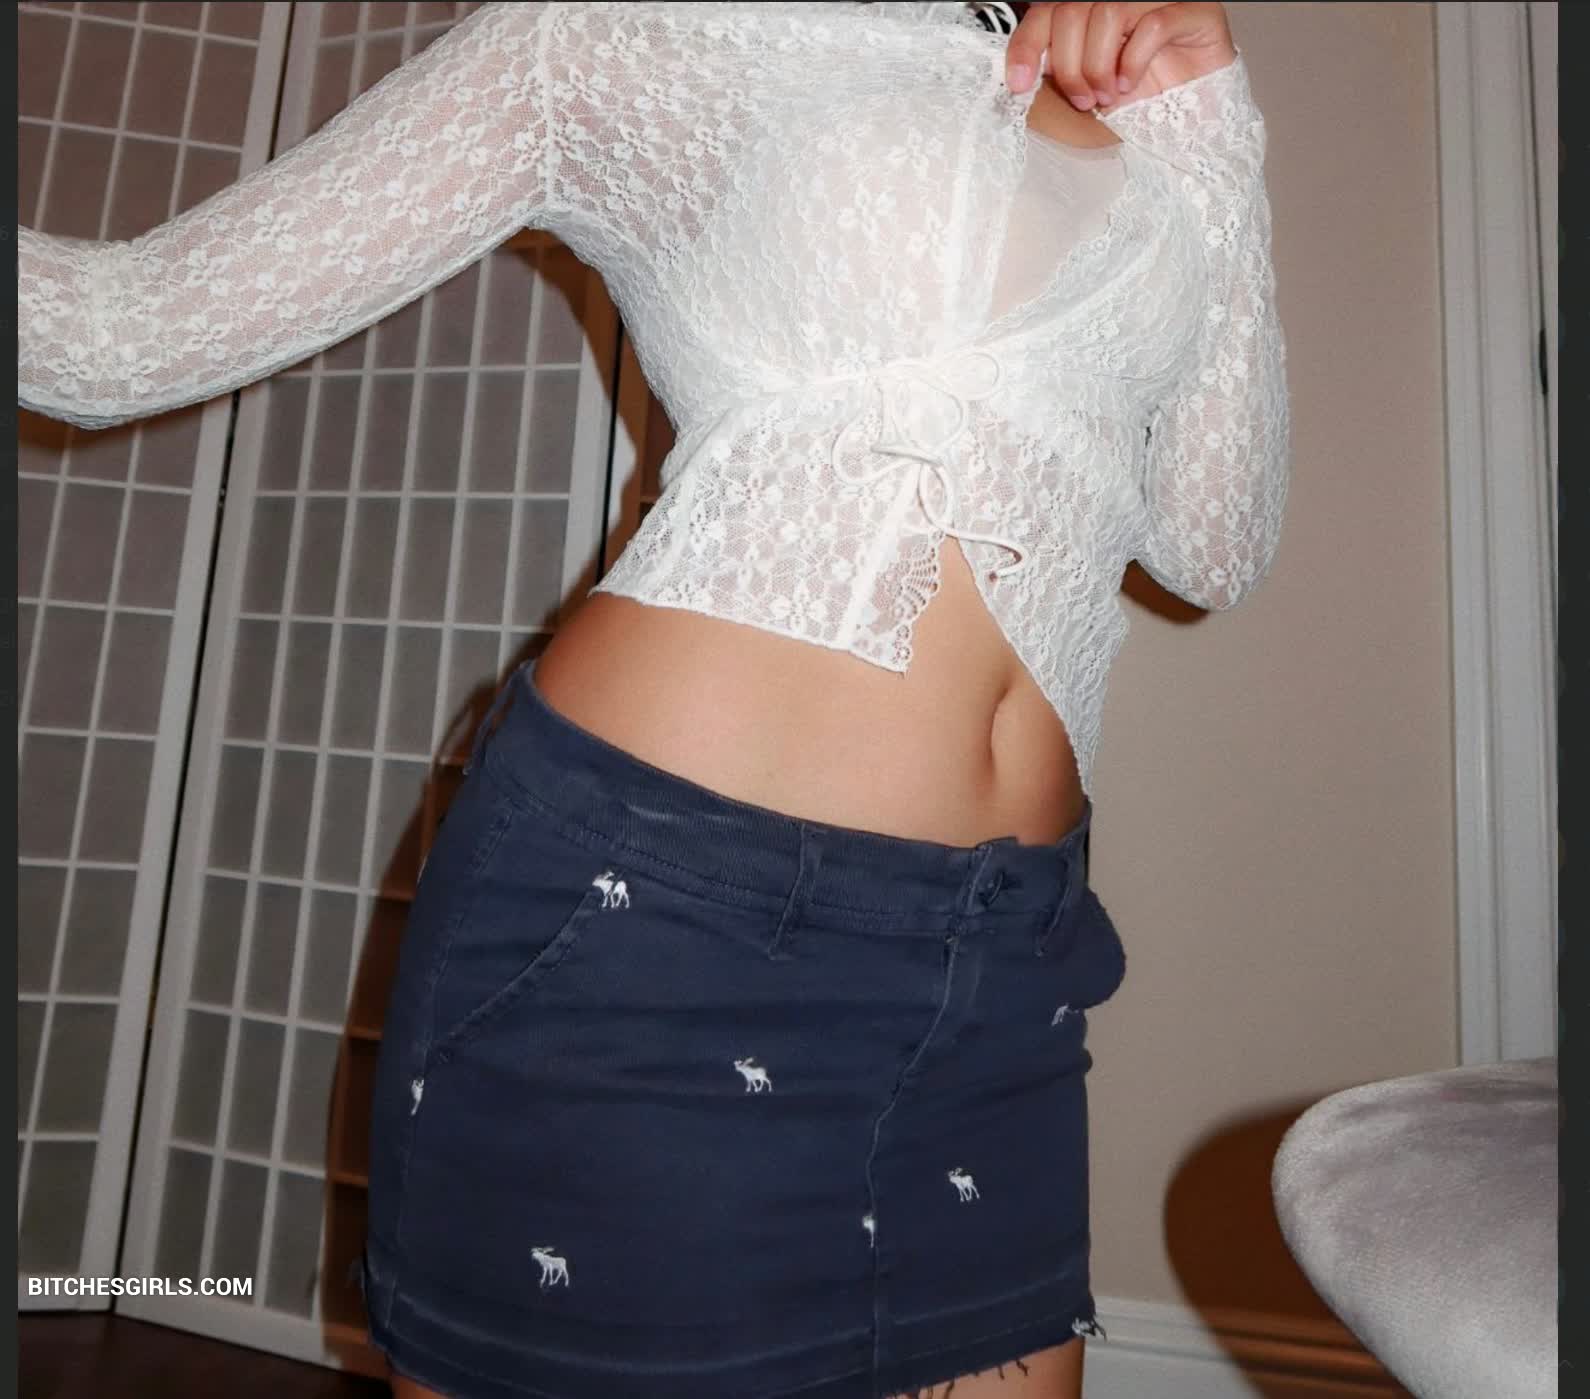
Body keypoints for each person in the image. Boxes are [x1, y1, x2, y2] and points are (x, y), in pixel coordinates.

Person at [17, 1, 1289, 1395]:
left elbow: (1211, 541)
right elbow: (111, 340)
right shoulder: (617, 35)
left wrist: (1207, 122)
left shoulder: (1113, 94)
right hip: (670, 917)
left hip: (1002, 957)